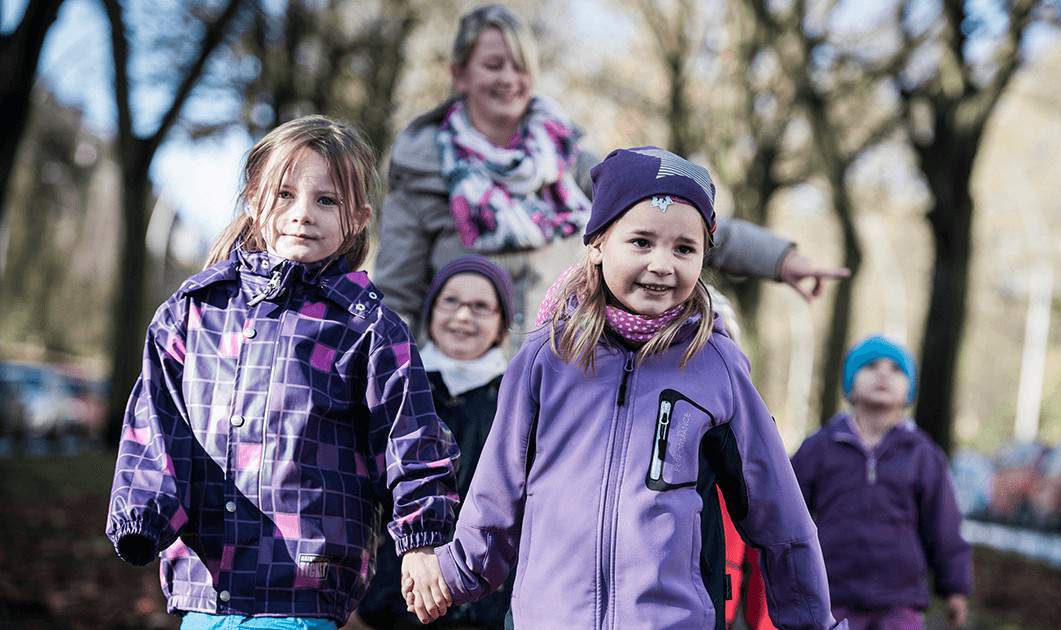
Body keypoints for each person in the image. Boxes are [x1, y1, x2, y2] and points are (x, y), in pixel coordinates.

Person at [404, 147, 839, 629]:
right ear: (597, 244)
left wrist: (811, 620)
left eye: (684, 249)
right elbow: (497, 491)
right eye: (641, 242)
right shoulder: (547, 358)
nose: (661, 264)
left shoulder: (716, 366)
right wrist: (452, 573)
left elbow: (780, 511)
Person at [104, 116, 459, 629]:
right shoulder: (193, 312)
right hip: (205, 592)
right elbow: (155, 424)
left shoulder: (368, 328)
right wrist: (143, 511)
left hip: (304, 593)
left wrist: (422, 541)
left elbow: (412, 441)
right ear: (254, 198)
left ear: (356, 216)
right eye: (285, 195)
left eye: (326, 201)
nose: (302, 215)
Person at [374, 3, 847, 339]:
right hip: (459, 389)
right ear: (460, 75)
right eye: (493, 65)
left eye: (521, 66)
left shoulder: (566, 159)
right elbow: (396, 296)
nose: (509, 79)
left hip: (562, 370)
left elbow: (666, 218)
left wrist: (780, 260)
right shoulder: (423, 172)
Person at [358, 256, 517, 629]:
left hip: (483, 610)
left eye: (481, 307)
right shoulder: (394, 387)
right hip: (386, 604)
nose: (463, 317)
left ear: (500, 325)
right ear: (431, 312)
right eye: (451, 302)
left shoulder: (518, 399)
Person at [792, 336, 972, 630]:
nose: (884, 373)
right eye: (871, 365)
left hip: (900, 602)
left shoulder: (922, 454)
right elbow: (788, 514)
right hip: (832, 597)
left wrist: (956, 588)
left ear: (908, 391)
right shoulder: (819, 448)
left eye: (896, 369)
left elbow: (945, 526)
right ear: (851, 383)